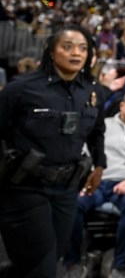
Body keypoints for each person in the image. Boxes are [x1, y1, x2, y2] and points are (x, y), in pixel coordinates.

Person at [0, 24, 107, 278]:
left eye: (83, 48)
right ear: (51, 51)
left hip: (67, 190)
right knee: (42, 265)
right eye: (67, 46)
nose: (76, 53)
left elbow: (97, 131)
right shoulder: (21, 88)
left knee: (49, 256)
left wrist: (99, 165)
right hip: (25, 187)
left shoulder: (92, 91)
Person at [63, 88, 125, 278]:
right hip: (97, 180)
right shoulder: (103, 125)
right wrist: (89, 174)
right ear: (122, 105)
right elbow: (86, 151)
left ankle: (119, 265)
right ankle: (73, 262)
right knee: (74, 205)